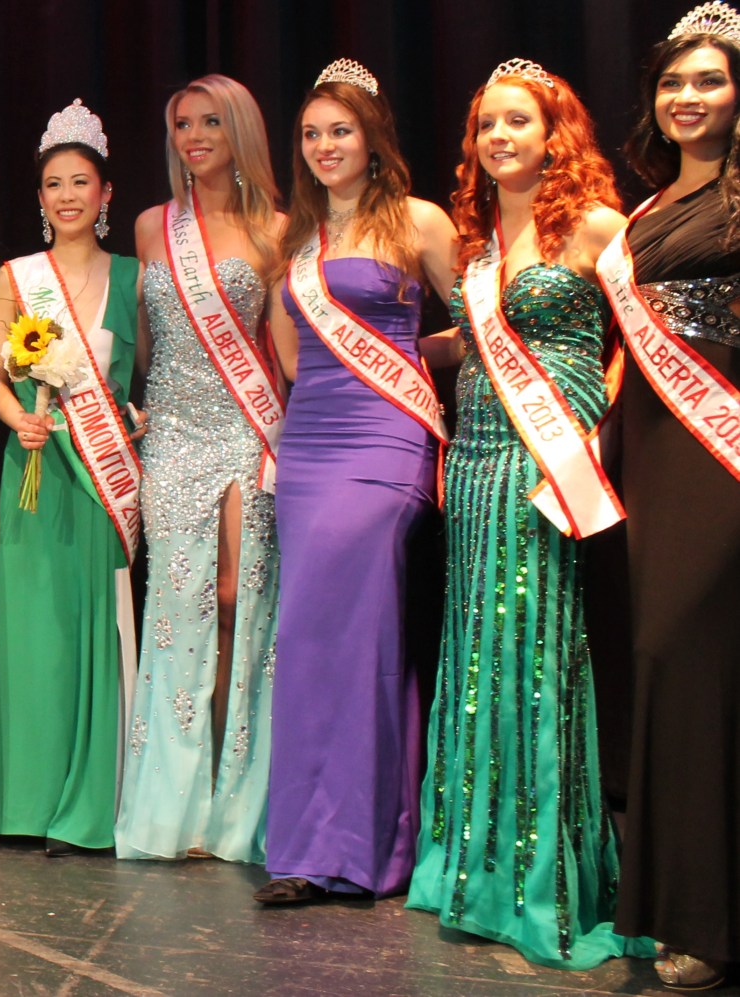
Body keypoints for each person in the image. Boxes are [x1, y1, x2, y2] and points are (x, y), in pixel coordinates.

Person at [406, 60, 649, 970]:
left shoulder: (596, 226)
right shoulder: (473, 244)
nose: (499, 138)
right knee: (475, 653)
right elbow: (470, 341)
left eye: (519, 122)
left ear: (557, 135)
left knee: (537, 655)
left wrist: (596, 433)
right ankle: (470, 867)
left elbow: (646, 343)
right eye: (486, 127)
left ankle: (544, 880)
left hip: (547, 467)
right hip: (471, 465)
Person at [254, 59, 457, 904]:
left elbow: (481, 329)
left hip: (386, 438)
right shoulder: (292, 241)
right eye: (310, 134)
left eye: (340, 130)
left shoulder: (420, 221)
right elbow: (292, 356)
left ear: (372, 138)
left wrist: (414, 358)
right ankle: (304, 852)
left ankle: (369, 849)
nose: (324, 145)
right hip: (312, 445)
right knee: (305, 636)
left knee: (366, 631)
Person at [595, 3, 740, 988]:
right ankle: (676, 904)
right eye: (674, 83)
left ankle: (714, 920)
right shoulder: (644, 211)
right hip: (649, 443)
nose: (687, 98)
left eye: (711, 81)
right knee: (661, 664)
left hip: (721, 440)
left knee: (684, 653)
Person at [114, 75, 284, 863]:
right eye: (182, 123)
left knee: (234, 600)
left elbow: (282, 350)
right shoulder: (154, 225)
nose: (194, 136)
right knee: (177, 604)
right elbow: (146, 342)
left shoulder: (278, 228)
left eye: (211, 121)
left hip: (248, 427)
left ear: (240, 129)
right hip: (174, 433)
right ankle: (176, 804)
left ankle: (234, 800)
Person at [0, 100, 142, 857]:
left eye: (82, 182)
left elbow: (152, 376)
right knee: (34, 637)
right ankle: (23, 801)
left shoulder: (135, 277)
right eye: (55, 183)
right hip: (35, 468)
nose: (68, 196)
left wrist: (139, 416)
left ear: (105, 195)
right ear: (40, 196)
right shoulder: (15, 276)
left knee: (91, 633)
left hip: (99, 478)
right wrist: (18, 416)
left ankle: (89, 806)